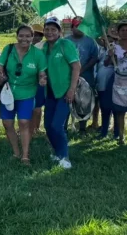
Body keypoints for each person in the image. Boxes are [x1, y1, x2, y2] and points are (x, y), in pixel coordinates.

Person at [0, 25, 47, 164]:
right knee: (7, 123)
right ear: (17, 36)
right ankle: (16, 152)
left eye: (28, 36)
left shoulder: (38, 54)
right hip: (8, 92)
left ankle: (25, 155)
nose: (24, 39)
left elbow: (42, 73)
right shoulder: (9, 49)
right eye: (21, 36)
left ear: (32, 37)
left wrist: (42, 79)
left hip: (27, 93)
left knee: (24, 122)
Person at [41, 17, 80, 169]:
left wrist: (72, 89)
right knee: (48, 126)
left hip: (65, 92)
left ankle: (65, 157)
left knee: (57, 125)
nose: (49, 32)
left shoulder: (65, 44)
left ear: (59, 31)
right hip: (50, 92)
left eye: (53, 29)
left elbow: (76, 66)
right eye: (47, 29)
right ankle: (57, 153)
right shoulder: (44, 47)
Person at [67, 17, 99, 132]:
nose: (79, 29)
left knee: (84, 100)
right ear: (72, 28)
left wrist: (81, 69)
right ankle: (64, 126)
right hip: (68, 76)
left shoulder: (90, 41)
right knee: (67, 99)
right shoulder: (65, 41)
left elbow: (94, 57)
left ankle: (82, 128)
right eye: (77, 26)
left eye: (82, 26)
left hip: (86, 75)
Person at [95, 28, 117, 139]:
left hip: (112, 82)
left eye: (111, 40)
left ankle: (116, 132)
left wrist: (111, 54)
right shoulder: (101, 50)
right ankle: (104, 130)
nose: (108, 41)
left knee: (115, 108)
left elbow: (108, 63)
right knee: (104, 107)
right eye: (106, 39)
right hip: (101, 83)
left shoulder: (116, 49)